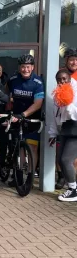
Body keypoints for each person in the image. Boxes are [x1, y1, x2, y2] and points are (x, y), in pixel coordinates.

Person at [7, 54, 44, 186]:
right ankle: (18, 176)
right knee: (19, 148)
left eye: (28, 67)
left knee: (32, 148)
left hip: (32, 119)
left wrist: (24, 114)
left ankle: (30, 176)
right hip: (17, 118)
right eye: (23, 67)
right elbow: (8, 95)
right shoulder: (13, 80)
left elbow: (38, 103)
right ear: (19, 68)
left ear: (32, 67)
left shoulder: (38, 82)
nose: (25, 70)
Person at [48, 69, 77, 201]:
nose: (62, 81)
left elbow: (74, 113)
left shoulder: (75, 91)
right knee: (60, 160)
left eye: (64, 78)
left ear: (69, 79)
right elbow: (55, 115)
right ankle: (72, 186)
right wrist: (52, 133)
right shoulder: (57, 95)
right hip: (65, 128)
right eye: (59, 79)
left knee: (66, 160)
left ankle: (73, 189)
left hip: (75, 128)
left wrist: (68, 103)